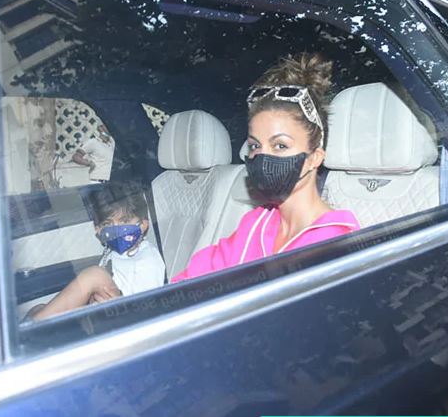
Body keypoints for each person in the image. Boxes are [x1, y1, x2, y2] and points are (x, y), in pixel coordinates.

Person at [172, 53, 360, 282]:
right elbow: (189, 283)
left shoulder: (336, 246)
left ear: (314, 158)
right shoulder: (256, 224)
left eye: (280, 145)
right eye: (255, 146)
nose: (262, 157)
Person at [31, 181, 165, 320]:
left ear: (143, 225)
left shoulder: (148, 261)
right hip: (100, 314)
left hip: (124, 318)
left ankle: (36, 328)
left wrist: (117, 304)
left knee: (96, 275)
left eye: (124, 221)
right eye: (108, 224)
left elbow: (148, 313)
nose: (116, 230)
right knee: (38, 308)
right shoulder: (112, 252)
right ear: (99, 230)